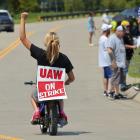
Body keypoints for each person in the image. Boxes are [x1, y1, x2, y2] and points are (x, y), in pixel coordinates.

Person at [20, 12, 75, 125]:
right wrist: (65, 82)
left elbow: (23, 38)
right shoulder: (64, 58)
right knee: (60, 96)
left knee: (33, 96)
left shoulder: (40, 54)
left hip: (42, 89)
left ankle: (36, 112)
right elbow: (72, 77)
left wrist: (22, 19)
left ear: (46, 43)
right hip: (56, 90)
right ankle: (62, 113)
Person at [107, 25, 126, 99]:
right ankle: (110, 92)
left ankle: (117, 93)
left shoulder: (120, 38)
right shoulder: (112, 38)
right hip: (115, 63)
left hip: (120, 63)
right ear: (118, 31)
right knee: (114, 78)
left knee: (118, 79)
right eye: (123, 32)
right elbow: (109, 50)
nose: (124, 33)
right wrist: (113, 61)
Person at [120, 20, 137, 91]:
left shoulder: (128, 33)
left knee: (127, 70)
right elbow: (123, 45)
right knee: (124, 70)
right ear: (123, 26)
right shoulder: (122, 35)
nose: (129, 27)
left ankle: (123, 84)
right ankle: (122, 85)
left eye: (129, 26)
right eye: (127, 26)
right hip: (125, 55)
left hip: (130, 54)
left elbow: (131, 42)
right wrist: (132, 47)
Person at [98, 23, 112, 96]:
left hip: (102, 60)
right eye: (109, 29)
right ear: (107, 30)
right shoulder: (106, 39)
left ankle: (105, 90)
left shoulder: (101, 38)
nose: (110, 30)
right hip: (107, 60)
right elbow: (109, 50)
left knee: (105, 76)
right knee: (111, 76)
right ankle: (109, 91)